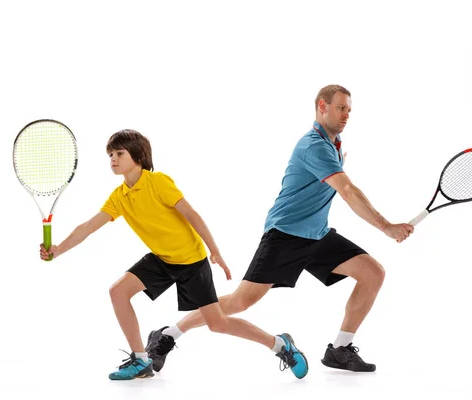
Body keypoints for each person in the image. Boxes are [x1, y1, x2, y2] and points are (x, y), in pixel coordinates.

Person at [145, 85, 414, 373]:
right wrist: (386, 227)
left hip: (317, 235)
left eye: (349, 109)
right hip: (285, 236)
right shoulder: (315, 145)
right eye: (340, 108)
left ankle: (340, 349)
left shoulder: (333, 145)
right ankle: (167, 335)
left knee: (373, 272)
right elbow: (347, 192)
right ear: (322, 106)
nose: (347, 114)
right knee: (240, 301)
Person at [39, 129, 309, 380]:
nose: (113, 159)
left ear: (139, 156)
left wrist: (214, 251)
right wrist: (58, 249)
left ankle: (280, 344)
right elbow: (88, 227)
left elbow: (192, 214)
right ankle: (141, 360)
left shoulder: (158, 182)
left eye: (119, 153)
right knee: (118, 291)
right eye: (110, 155)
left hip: (192, 261)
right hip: (161, 259)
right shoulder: (119, 196)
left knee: (217, 324)